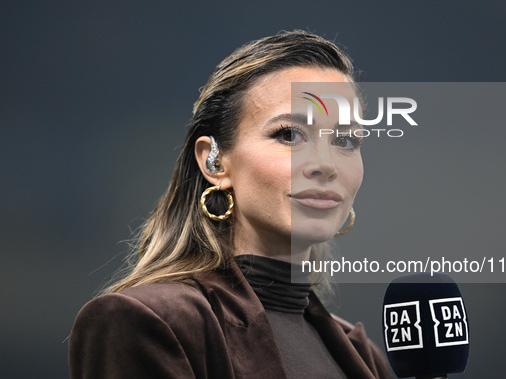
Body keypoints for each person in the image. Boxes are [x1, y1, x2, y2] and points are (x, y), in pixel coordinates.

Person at [69, 30, 392, 379]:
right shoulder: (147, 321)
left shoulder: (362, 355)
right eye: (288, 134)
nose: (326, 164)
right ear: (215, 162)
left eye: (345, 140)